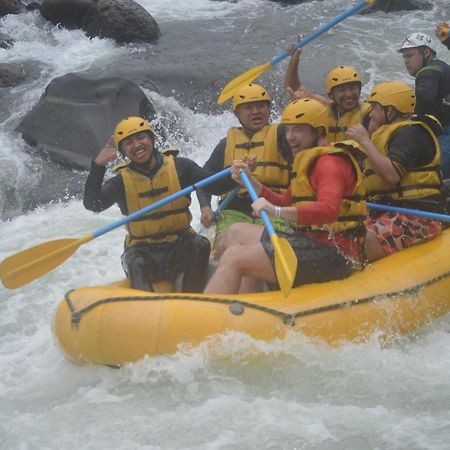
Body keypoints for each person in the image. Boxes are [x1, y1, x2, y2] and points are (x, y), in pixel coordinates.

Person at [204, 98, 367, 295]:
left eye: (298, 130)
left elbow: (329, 210)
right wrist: (250, 181)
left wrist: (277, 212)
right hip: (308, 241)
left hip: (334, 253)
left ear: (318, 131)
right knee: (236, 232)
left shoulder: (329, 163)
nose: (290, 137)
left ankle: (228, 313)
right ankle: (247, 303)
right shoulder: (307, 162)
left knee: (234, 257)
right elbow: (284, 201)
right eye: (288, 130)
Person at [83, 116, 234, 292]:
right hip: (143, 251)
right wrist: (98, 166)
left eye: (141, 138)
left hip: (179, 245)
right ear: (123, 151)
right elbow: (93, 203)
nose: (137, 145)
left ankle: (190, 301)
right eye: (129, 142)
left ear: (152, 139)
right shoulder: (121, 182)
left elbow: (215, 186)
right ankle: (146, 311)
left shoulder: (181, 167)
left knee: (200, 245)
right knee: (135, 262)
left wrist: (236, 174)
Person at [346, 81, 445, 263]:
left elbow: (391, 175)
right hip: (386, 211)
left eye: (375, 107)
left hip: (417, 217)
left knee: (354, 243)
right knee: (339, 232)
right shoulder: (386, 134)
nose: (371, 112)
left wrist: (365, 141)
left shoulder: (410, 133)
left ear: (389, 111)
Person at [197, 82, 292, 256]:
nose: (256, 111)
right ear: (237, 114)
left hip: (273, 206)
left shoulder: (283, 137)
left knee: (269, 246)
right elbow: (203, 182)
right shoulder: (226, 145)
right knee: (223, 247)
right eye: (248, 107)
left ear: (269, 109)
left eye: (261, 106)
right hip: (235, 209)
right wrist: (205, 208)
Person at [284, 42, 370, 142]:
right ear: (331, 95)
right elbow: (294, 88)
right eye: (342, 90)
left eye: (352, 88)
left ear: (359, 90)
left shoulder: (368, 112)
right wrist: (294, 59)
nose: (349, 94)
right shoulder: (324, 108)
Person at [398, 32, 450, 178]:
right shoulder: (442, 67)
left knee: (434, 175)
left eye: (410, 55)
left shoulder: (428, 71)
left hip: (447, 132)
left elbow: (424, 98)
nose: (406, 61)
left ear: (426, 52)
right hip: (444, 128)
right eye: (404, 57)